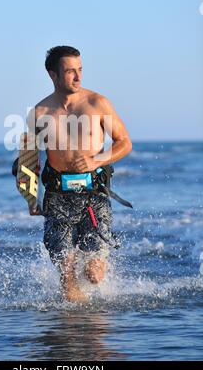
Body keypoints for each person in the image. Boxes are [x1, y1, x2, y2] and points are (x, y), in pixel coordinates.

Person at [27, 46, 132, 303]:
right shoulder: (39, 113)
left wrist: (99, 159)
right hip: (57, 198)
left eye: (80, 70)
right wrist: (31, 197)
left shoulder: (97, 103)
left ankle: (94, 326)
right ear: (53, 75)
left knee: (94, 273)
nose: (78, 76)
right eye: (70, 71)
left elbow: (124, 142)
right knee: (67, 275)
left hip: (94, 195)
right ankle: (71, 336)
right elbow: (29, 159)